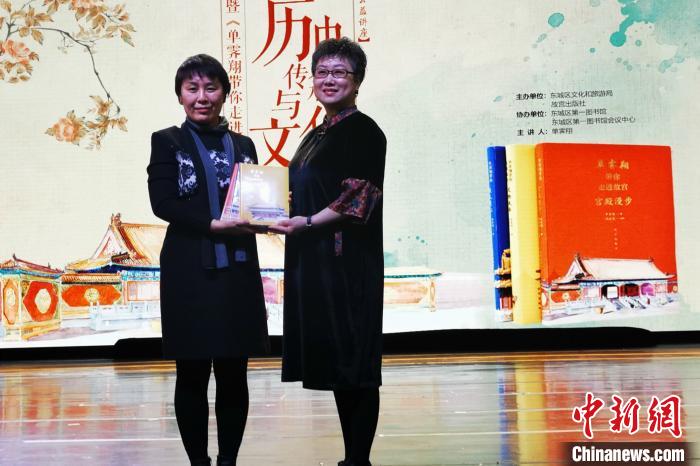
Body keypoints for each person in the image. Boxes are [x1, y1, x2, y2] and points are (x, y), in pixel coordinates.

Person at [147, 54, 269, 466]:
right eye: (192, 88)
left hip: (238, 269)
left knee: (235, 371)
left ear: (224, 94)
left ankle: (228, 460)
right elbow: (162, 202)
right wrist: (212, 224)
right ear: (180, 95)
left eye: (211, 88)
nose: (202, 97)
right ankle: (198, 462)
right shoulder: (167, 140)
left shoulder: (244, 145)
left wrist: (271, 215)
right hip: (189, 270)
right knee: (192, 371)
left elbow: (255, 203)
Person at [270, 37, 387, 466]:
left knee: (355, 361)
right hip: (315, 260)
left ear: (358, 80)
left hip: (347, 262)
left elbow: (359, 197)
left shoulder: (365, 131)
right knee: (340, 362)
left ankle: (359, 459)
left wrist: (306, 222)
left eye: (340, 72)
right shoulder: (318, 133)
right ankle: (352, 458)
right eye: (322, 72)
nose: (329, 80)